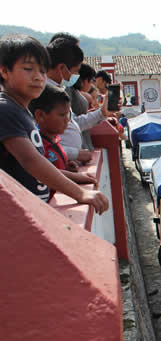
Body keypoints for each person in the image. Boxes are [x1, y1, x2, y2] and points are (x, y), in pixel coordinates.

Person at [0, 35, 108, 213]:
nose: (38, 77)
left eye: (42, 71)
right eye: (28, 69)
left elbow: (39, 162)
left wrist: (75, 178)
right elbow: (30, 160)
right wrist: (80, 193)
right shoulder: (6, 110)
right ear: (4, 71)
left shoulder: (21, 111)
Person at [29, 85, 98, 190]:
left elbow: (55, 167)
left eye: (68, 115)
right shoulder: (37, 145)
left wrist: (66, 166)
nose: (67, 121)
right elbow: (45, 172)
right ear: (40, 115)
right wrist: (76, 177)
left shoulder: (55, 140)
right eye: (62, 115)